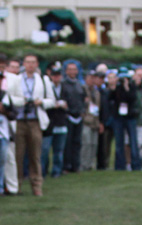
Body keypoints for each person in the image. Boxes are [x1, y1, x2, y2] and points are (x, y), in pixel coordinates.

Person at [8, 54, 51, 196]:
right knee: (18, 155)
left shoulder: (43, 80)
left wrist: (41, 102)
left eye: (33, 62)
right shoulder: (16, 80)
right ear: (23, 64)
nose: (30, 65)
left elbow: (52, 100)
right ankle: (17, 184)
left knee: (35, 155)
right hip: (20, 120)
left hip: (35, 120)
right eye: (28, 62)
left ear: (37, 64)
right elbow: (9, 98)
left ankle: (37, 185)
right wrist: (22, 101)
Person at [109, 68, 140, 172]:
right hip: (118, 117)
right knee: (119, 142)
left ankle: (136, 164)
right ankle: (120, 165)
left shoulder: (132, 86)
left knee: (133, 141)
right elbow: (110, 98)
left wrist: (127, 87)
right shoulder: (117, 88)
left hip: (130, 117)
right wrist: (113, 87)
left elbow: (132, 98)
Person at [61, 62, 86, 173]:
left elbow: (83, 99)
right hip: (68, 116)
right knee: (68, 142)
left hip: (78, 116)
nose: (72, 72)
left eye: (74, 69)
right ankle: (67, 165)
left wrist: (82, 110)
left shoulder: (79, 84)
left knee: (77, 142)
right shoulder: (63, 84)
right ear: (66, 71)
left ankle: (76, 165)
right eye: (70, 69)